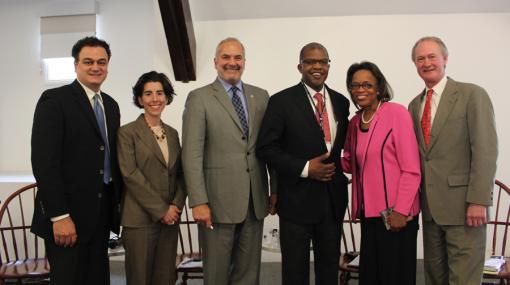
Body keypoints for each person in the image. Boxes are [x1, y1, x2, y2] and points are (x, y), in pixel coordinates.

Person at [181, 37, 274, 285]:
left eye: (237, 57)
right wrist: (198, 201)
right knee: (217, 275)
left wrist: (274, 190)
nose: (231, 63)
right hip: (216, 203)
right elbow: (191, 154)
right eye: (226, 57)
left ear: (244, 62)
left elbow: (270, 149)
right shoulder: (199, 98)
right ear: (215, 62)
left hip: (254, 201)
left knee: (248, 274)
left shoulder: (261, 96)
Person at [256, 42, 350, 285]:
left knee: (329, 270)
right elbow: (266, 148)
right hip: (296, 201)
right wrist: (306, 168)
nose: (317, 66)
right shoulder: (281, 101)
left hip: (332, 201)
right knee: (295, 273)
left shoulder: (341, 102)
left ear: (328, 65)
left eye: (323, 62)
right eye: (310, 62)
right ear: (300, 66)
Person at [31, 36, 122, 285]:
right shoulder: (55, 100)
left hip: (100, 215)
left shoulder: (111, 106)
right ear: (76, 65)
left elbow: (109, 158)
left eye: (101, 62)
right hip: (67, 217)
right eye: (88, 61)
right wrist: (59, 216)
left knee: (98, 279)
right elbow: (44, 162)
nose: (96, 67)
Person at [408, 36, 498, 285]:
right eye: (420, 58)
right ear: (415, 65)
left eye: (431, 56)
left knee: (464, 279)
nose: (426, 63)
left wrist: (479, 200)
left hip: (465, 209)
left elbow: (485, 150)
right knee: (435, 278)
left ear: (445, 59)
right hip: (429, 210)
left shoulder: (471, 95)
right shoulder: (414, 106)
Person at [341, 61, 421, 284]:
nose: (360, 90)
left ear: (378, 87)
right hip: (370, 215)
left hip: (397, 215)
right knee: (372, 277)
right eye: (355, 85)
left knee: (395, 277)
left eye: (367, 84)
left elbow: (411, 169)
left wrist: (401, 210)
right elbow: (350, 163)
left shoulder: (396, 113)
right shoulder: (355, 123)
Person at [117, 71, 186, 285]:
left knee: (165, 278)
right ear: (140, 99)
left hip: (170, 219)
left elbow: (181, 174)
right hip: (139, 220)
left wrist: (175, 205)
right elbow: (131, 175)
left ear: (166, 97)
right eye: (148, 93)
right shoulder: (127, 133)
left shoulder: (173, 133)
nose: (154, 98)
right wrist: (161, 210)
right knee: (140, 278)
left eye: (159, 93)